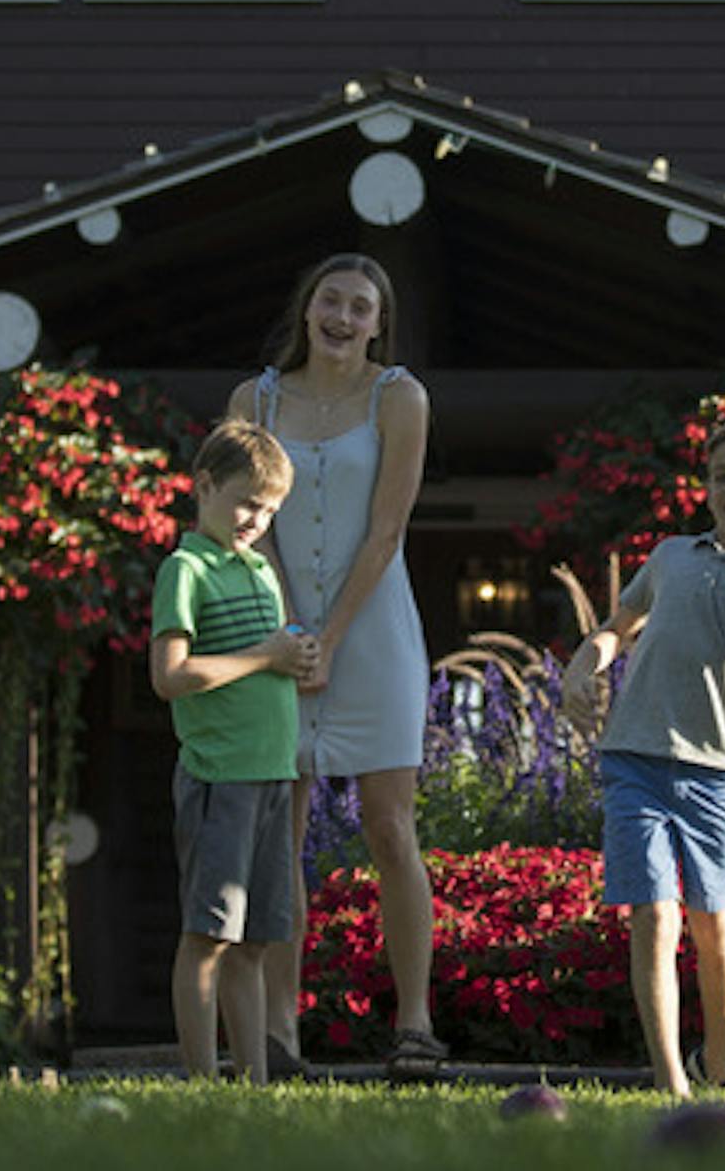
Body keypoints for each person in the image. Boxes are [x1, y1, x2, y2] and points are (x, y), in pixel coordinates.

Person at [229, 252, 441, 1072]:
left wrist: (333, 636)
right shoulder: (256, 400)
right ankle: (280, 1029)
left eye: (360, 306)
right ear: (307, 307)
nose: (343, 317)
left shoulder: (401, 398)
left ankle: (415, 1022)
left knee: (390, 827)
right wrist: (289, 630)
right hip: (277, 629)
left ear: (378, 321)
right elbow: (247, 525)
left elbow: (386, 531)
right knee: (281, 833)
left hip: (376, 631)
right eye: (330, 300)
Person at [560, 419, 725, 1099]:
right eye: (722, 474)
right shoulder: (671, 556)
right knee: (654, 913)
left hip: (718, 770)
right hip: (634, 756)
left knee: (715, 920)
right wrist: (586, 663)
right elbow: (618, 625)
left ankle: (719, 1057)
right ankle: (670, 1077)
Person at [148, 419, 319, 1083]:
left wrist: (292, 657)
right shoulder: (183, 569)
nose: (257, 519)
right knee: (208, 936)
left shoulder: (259, 570)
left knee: (253, 943)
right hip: (221, 778)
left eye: (271, 509)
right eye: (248, 501)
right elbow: (169, 676)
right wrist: (265, 655)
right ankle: (202, 1081)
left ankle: (252, 1082)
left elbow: (266, 660)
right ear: (206, 484)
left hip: (274, 774)